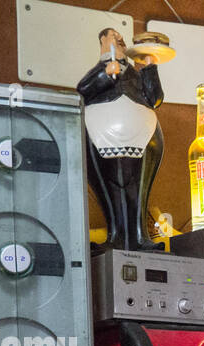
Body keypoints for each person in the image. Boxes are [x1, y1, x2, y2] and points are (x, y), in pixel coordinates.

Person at [77, 27, 165, 250]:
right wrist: (105, 74)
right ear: (103, 42)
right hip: (101, 137)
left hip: (144, 136)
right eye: (112, 37)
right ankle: (115, 236)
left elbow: (155, 98)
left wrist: (149, 70)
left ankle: (139, 237)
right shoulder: (99, 70)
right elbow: (82, 90)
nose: (118, 40)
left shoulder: (135, 74)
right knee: (112, 189)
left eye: (120, 38)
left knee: (137, 189)